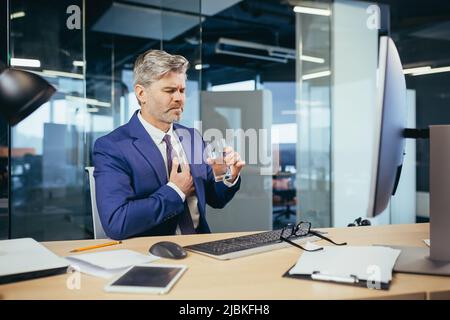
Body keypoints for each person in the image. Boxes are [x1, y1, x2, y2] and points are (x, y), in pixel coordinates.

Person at [93, 50, 245, 240]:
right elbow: (117, 222)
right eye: (169, 90)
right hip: (152, 256)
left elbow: (216, 199)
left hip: (202, 248)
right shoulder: (113, 147)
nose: (179, 98)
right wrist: (175, 191)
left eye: (182, 90)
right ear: (141, 93)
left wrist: (228, 176)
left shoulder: (193, 138)